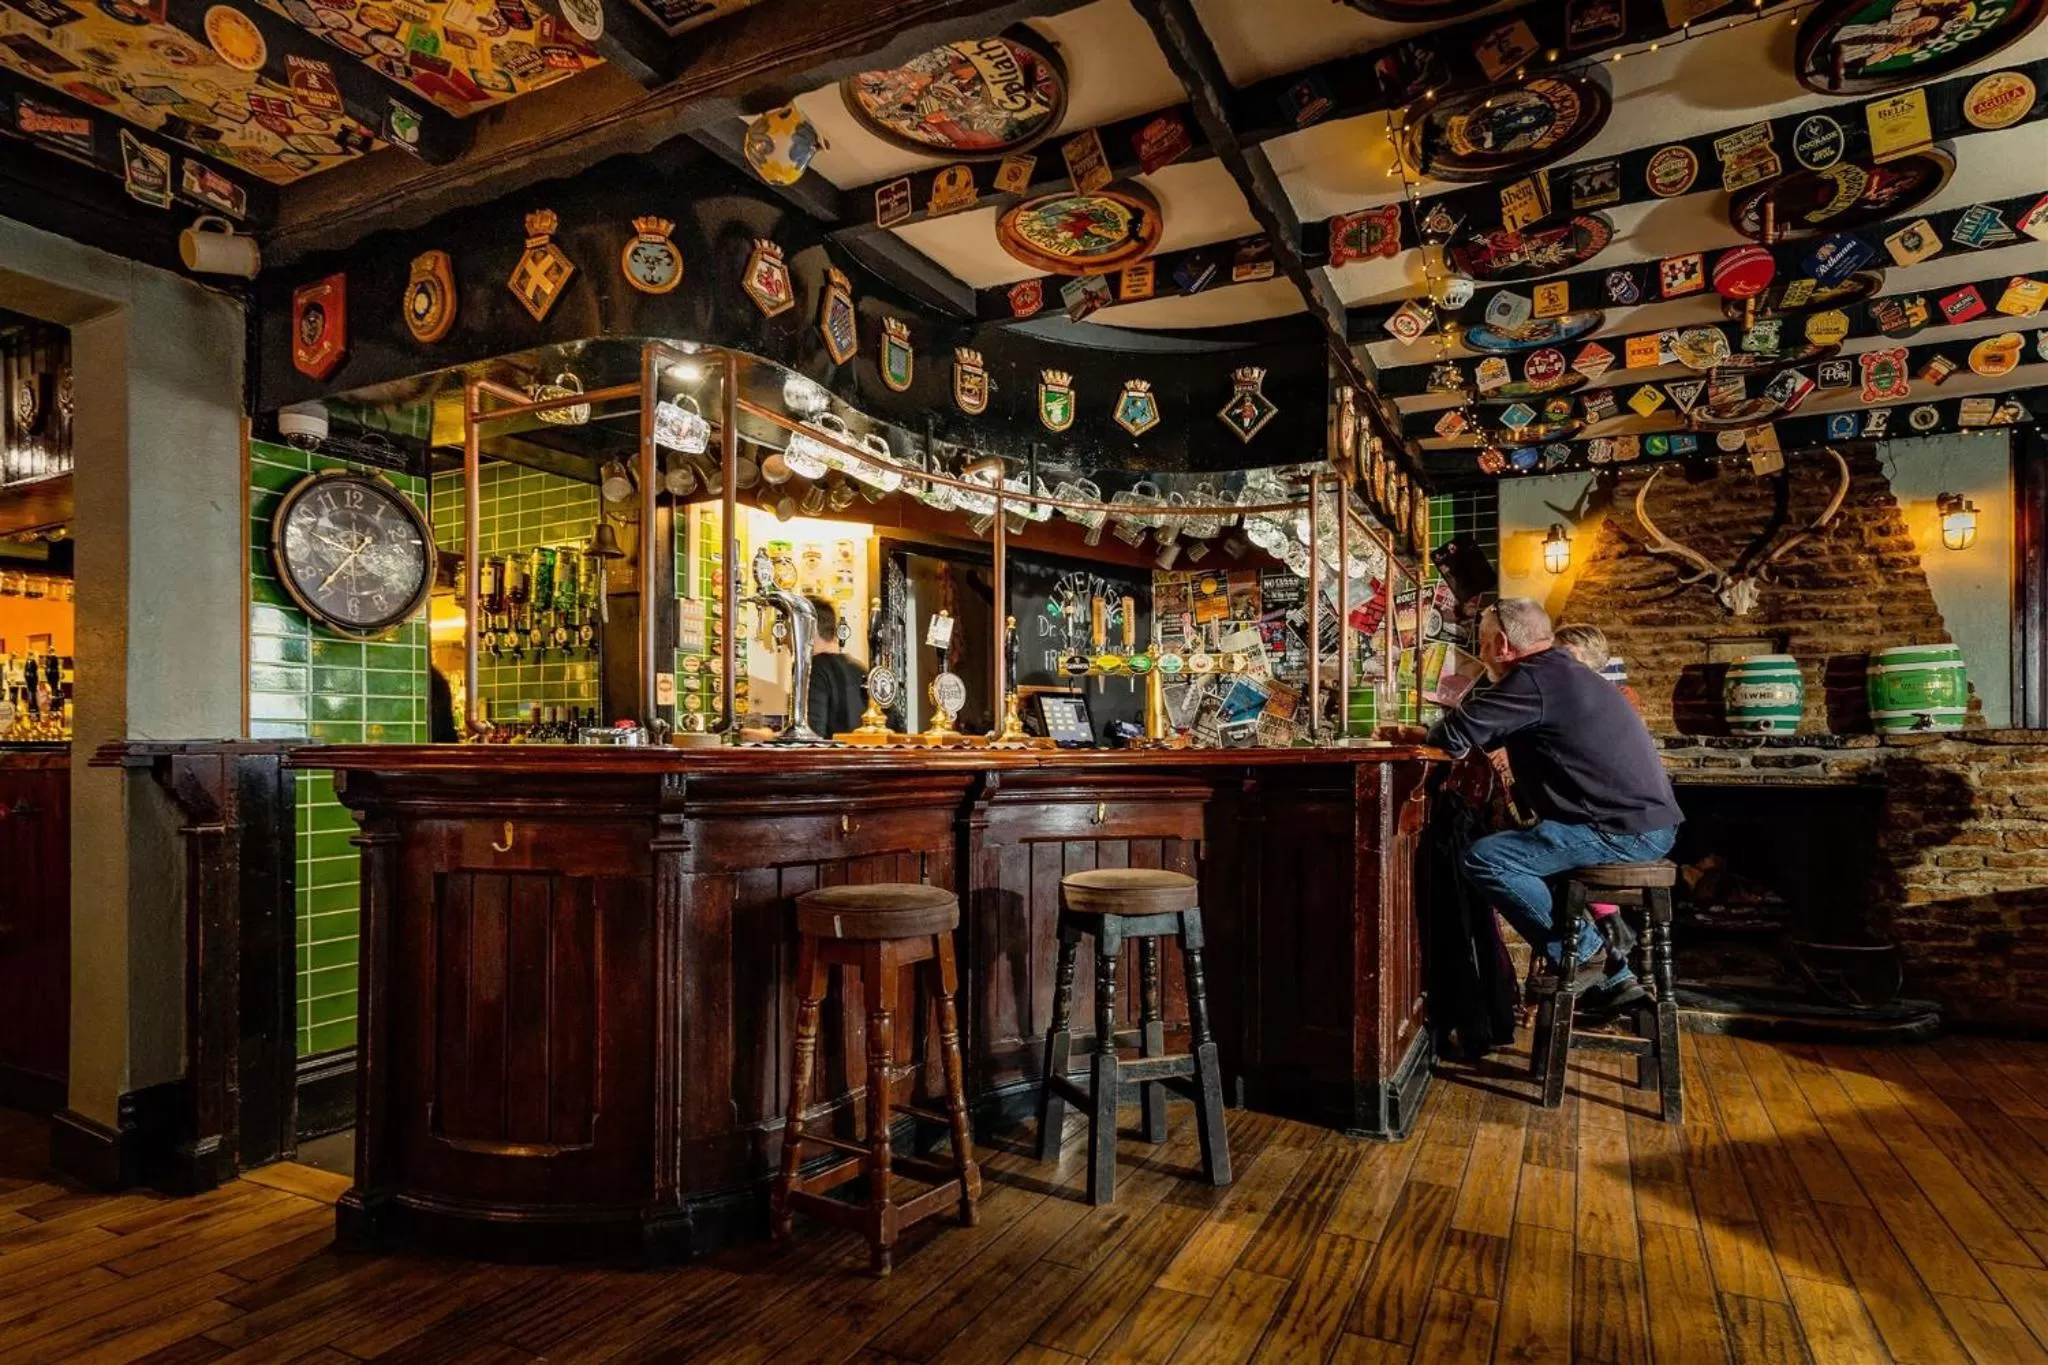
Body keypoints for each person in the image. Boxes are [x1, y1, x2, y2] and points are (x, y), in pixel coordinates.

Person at [1393, 598, 1682, 1013]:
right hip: (1639, 824)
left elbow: (1454, 735)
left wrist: (1416, 733)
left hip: (1623, 831)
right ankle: (1617, 980)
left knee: (1488, 859)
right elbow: (1484, 731)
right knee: (1520, 855)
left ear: (1502, 644)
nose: (1480, 649)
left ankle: (1587, 954)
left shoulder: (1533, 679)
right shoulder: (1558, 674)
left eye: (1482, 639)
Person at [805, 596, 866, 739]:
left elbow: (812, 737)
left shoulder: (815, 668)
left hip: (830, 761)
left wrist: (768, 737)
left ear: (808, 629)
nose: (788, 638)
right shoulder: (860, 669)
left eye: (792, 628)